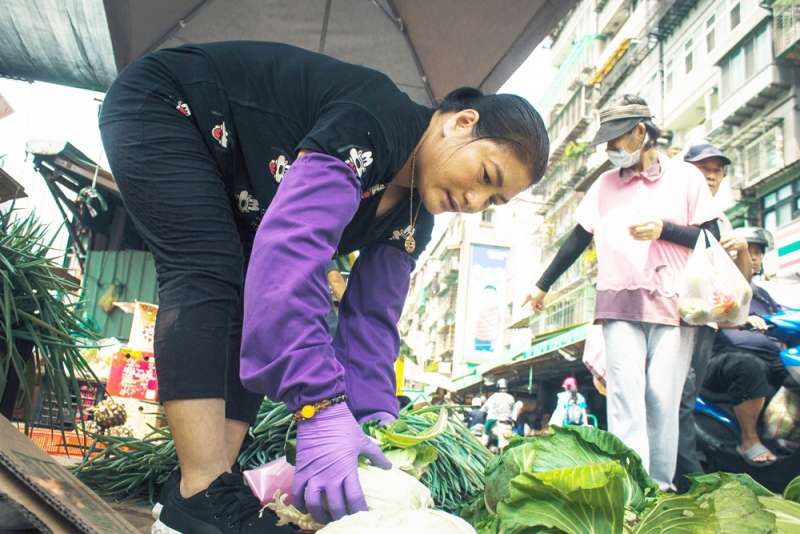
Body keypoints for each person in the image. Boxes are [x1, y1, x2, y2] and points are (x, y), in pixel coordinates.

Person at [99, 41, 550, 532]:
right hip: (172, 107)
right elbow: (293, 256)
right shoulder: (374, 121)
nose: (474, 199)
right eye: (485, 175)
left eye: (493, 201)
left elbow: (372, 322)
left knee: (247, 297)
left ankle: (205, 497)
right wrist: (319, 405)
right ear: (461, 122)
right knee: (209, 272)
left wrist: (376, 417)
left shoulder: (415, 215)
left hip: (239, 179)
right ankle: (200, 487)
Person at [524, 95, 720, 489]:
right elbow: (579, 237)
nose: (612, 150)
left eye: (618, 141)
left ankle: (659, 485)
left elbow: (710, 237)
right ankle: (632, 487)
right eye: (608, 143)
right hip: (618, 303)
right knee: (625, 397)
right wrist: (541, 284)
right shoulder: (604, 185)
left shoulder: (687, 178)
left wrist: (664, 229)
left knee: (661, 400)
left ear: (641, 132)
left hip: (673, 304)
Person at [675, 143, 752, 488]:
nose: (710, 175)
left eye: (717, 170)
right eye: (701, 167)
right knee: (672, 400)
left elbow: (739, 288)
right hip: (669, 318)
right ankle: (689, 480)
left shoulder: (721, 220)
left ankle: (685, 478)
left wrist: (743, 253)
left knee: (683, 400)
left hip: (703, 324)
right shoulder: (673, 209)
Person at [704, 227, 798, 467]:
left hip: (772, 356)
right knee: (749, 366)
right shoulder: (718, 287)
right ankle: (749, 440)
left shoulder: (763, 294)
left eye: (758, 252)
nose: (754, 257)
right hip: (724, 358)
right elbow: (710, 315)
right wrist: (740, 321)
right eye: (748, 251)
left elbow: (784, 315)